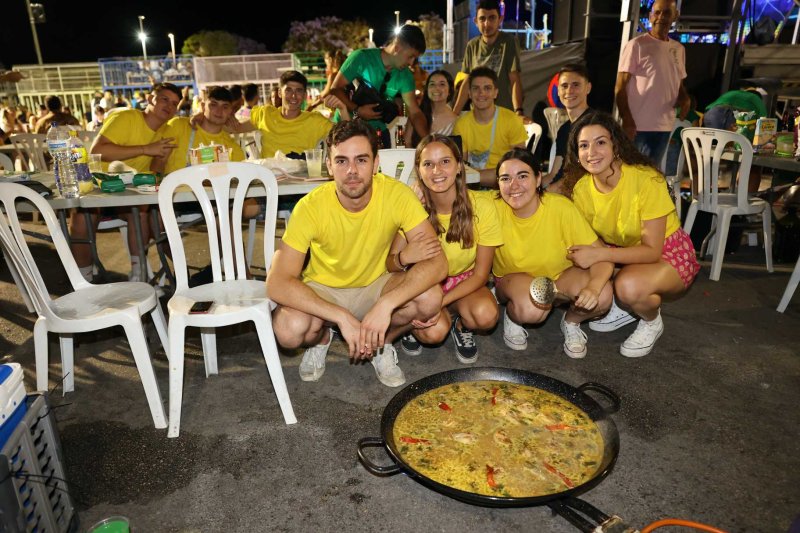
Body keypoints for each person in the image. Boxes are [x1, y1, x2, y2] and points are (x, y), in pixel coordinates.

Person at [267, 120, 448, 387]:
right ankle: (322, 339)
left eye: (361, 160)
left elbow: (438, 263)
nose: (351, 170)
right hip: (324, 289)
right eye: (341, 161)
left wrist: (386, 305)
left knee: (430, 297)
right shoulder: (310, 207)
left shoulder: (396, 194)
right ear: (329, 166)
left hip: (376, 286)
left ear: (376, 164)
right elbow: (276, 282)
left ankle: (380, 343)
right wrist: (341, 317)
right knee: (288, 329)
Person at [561, 111, 700, 357]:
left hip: (666, 253)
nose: (591, 152)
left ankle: (650, 320)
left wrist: (598, 255)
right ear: (577, 153)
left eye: (600, 142)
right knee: (584, 268)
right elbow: (591, 239)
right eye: (584, 145)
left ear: (616, 145)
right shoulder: (582, 189)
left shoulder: (646, 180)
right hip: (618, 251)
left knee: (629, 287)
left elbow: (651, 251)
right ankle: (625, 307)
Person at [390, 134, 502, 363]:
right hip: (425, 285)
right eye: (428, 164)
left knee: (486, 315)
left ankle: (460, 325)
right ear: (419, 171)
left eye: (445, 161)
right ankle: (415, 325)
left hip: (464, 282)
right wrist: (404, 256)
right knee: (433, 332)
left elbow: (481, 274)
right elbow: (390, 264)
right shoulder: (411, 206)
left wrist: (440, 303)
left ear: (459, 166)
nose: (437, 171)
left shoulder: (482, 206)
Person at [492, 148, 613, 358]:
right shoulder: (490, 207)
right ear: (498, 184)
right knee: (532, 310)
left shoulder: (561, 208)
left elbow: (601, 256)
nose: (514, 185)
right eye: (505, 178)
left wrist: (593, 288)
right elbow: (452, 194)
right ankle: (514, 316)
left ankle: (571, 322)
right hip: (513, 280)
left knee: (602, 294)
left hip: (560, 279)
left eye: (522, 176)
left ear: (538, 178)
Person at [70, 83, 180, 282]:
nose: (169, 106)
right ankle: (82, 281)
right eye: (164, 99)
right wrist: (146, 149)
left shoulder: (167, 131)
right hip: (98, 186)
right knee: (82, 217)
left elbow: (156, 171)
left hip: (129, 195)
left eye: (174, 103)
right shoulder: (127, 117)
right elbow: (97, 151)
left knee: (142, 210)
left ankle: (139, 275)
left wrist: (159, 161)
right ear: (150, 99)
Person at [615, 0, 690, 164]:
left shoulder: (679, 49)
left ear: (675, 16)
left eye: (666, 13)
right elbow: (620, 86)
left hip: (665, 126)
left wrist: (685, 98)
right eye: (657, 13)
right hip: (638, 127)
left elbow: (678, 83)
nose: (661, 17)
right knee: (631, 177)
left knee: (651, 178)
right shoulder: (636, 45)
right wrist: (626, 119)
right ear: (650, 17)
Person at [329, 24, 429, 145]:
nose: (411, 63)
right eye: (410, 56)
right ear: (397, 48)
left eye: (415, 59)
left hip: (378, 135)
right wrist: (357, 110)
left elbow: (415, 112)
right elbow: (335, 89)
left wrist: (427, 140)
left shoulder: (406, 75)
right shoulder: (361, 58)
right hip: (347, 129)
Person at [233, 70, 347, 158]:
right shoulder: (266, 114)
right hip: (270, 180)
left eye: (299, 90)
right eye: (288, 90)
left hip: (300, 181)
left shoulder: (315, 120)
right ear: (279, 93)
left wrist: (343, 109)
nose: (293, 96)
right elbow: (236, 128)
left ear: (304, 95)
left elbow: (346, 138)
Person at [453, 67, 528, 186]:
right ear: (469, 94)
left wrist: (475, 176)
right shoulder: (461, 124)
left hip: (504, 185)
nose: (481, 93)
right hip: (472, 187)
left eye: (487, 88)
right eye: (476, 88)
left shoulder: (511, 119)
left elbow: (521, 164)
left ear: (495, 93)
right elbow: (461, 166)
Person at [453, 0, 523, 117]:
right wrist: (454, 113)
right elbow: (467, 81)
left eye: (492, 18)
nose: (487, 24)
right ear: (475, 21)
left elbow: (514, 79)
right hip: (477, 115)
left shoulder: (509, 41)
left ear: (500, 20)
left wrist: (518, 111)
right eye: (482, 19)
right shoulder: (472, 45)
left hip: (502, 114)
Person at [155, 85, 245, 176]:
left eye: (225, 107)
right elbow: (158, 163)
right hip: (175, 189)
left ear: (231, 112)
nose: (219, 111)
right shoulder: (178, 126)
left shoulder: (233, 149)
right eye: (213, 105)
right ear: (203, 106)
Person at [543, 64, 593, 191]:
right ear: (558, 91)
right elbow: (554, 174)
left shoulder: (594, 125)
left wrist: (547, 194)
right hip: (561, 191)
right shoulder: (564, 129)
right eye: (564, 86)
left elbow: (582, 175)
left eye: (576, 85)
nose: (569, 91)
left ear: (588, 88)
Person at [405, 70, 458, 148]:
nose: (436, 88)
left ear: (450, 90)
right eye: (432, 84)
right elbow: (407, 142)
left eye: (442, 84)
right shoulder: (417, 113)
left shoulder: (455, 121)